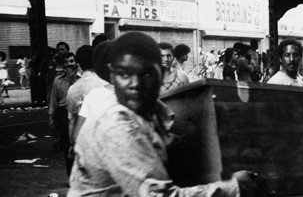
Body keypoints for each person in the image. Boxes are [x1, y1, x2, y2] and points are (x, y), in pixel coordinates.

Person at [69, 32, 267, 196]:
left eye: (146, 74)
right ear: (112, 76)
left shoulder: (152, 111)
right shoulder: (117, 124)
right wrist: (233, 187)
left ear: (160, 75)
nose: (135, 85)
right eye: (125, 75)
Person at [66, 45, 109, 177]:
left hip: (82, 143)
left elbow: (71, 121)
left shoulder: (73, 89)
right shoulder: (105, 85)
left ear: (78, 64)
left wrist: (72, 145)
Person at [48, 52, 79, 176]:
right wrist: (51, 117)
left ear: (76, 63)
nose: (69, 64)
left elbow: (77, 94)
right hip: (63, 113)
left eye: (71, 61)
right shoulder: (58, 80)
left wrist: (72, 80)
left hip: (78, 113)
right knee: (67, 145)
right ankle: (71, 175)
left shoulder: (80, 79)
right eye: (66, 62)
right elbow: (53, 100)